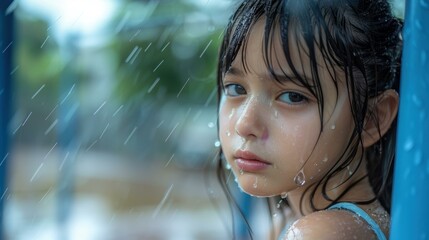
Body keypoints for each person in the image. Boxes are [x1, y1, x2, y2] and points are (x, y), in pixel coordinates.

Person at [215, 0, 402, 239]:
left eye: (292, 96)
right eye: (235, 89)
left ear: (370, 118)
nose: (245, 124)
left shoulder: (320, 233)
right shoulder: (292, 221)